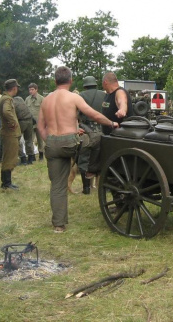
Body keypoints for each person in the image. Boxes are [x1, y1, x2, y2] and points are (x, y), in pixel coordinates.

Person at [38, 66, 119, 233]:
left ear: (55, 81)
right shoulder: (73, 97)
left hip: (52, 143)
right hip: (70, 144)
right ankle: (91, 170)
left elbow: (41, 127)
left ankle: (59, 225)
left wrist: (52, 140)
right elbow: (93, 115)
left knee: (57, 186)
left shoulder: (46, 100)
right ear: (71, 80)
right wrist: (111, 123)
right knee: (96, 139)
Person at [76, 75, 106, 194]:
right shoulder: (104, 95)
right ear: (95, 84)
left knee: (84, 158)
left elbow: (76, 113)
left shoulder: (81, 96)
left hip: (87, 130)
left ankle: (86, 188)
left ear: (85, 85)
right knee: (100, 157)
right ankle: (102, 186)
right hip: (102, 129)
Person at [0, 79, 22, 190]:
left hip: (7, 132)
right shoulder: (7, 99)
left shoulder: (3, 98)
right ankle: (7, 183)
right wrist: (12, 122)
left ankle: (6, 182)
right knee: (10, 158)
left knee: (8, 157)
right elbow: (6, 111)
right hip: (10, 133)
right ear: (14, 88)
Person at [26, 83, 45, 160]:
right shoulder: (27, 99)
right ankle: (31, 155)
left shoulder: (41, 99)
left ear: (36, 90)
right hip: (30, 123)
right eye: (29, 89)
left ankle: (41, 154)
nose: (31, 91)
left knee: (40, 139)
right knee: (30, 139)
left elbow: (45, 110)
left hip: (39, 122)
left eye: (32, 89)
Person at [14, 94, 35, 164]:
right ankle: (30, 158)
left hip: (21, 122)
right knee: (29, 140)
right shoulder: (22, 100)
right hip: (29, 121)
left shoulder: (12, 102)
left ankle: (22, 158)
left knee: (16, 140)